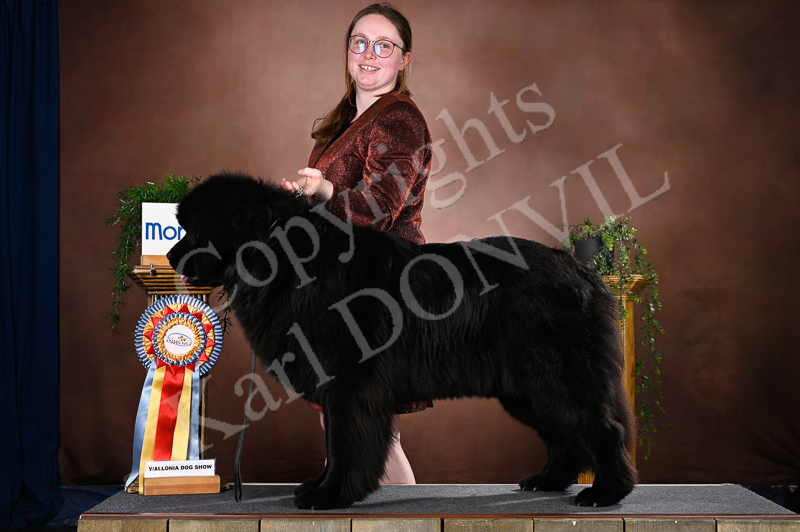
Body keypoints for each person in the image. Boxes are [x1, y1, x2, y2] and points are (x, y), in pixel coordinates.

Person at [280, 2, 432, 485]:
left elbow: (381, 207)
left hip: (379, 290)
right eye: (360, 42)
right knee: (346, 426)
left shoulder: (399, 119)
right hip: (349, 287)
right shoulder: (350, 119)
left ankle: (408, 521)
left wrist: (324, 190)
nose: (369, 54)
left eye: (384, 46)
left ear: (404, 59)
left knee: (366, 431)